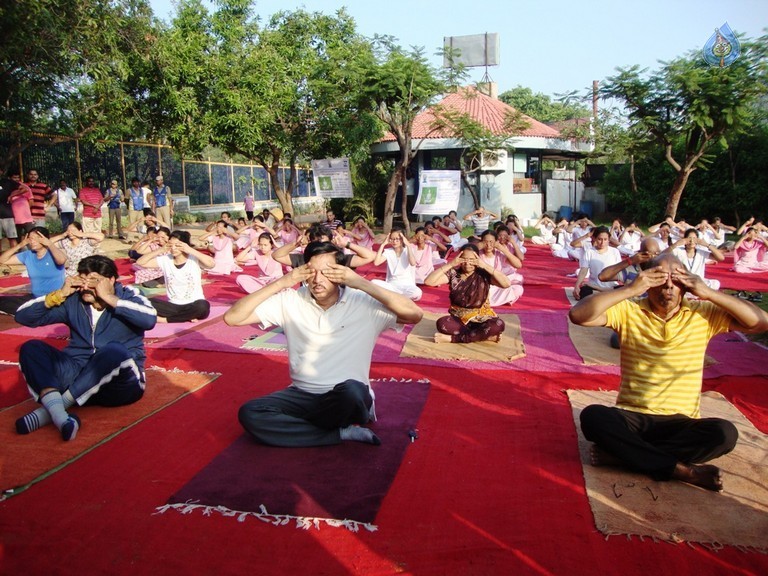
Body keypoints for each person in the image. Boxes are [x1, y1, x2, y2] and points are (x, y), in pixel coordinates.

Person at [570, 253, 768, 491]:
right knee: (593, 417)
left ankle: (625, 456)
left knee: (725, 433)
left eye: (676, 281)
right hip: (632, 416)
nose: (669, 288)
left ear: (686, 285)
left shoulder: (704, 313)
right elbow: (577, 315)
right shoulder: (628, 310)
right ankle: (682, 470)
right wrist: (630, 290)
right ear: (647, 281)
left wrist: (709, 293)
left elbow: (760, 322)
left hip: (681, 421)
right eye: (660, 280)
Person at [224, 241, 423, 447]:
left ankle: (301, 428)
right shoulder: (290, 300)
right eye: (312, 272)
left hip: (346, 398)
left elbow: (415, 314)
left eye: (327, 272)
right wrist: (282, 282)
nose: (318, 280)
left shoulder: (363, 301)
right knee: (250, 413)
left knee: (352, 392)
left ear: (341, 273)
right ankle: (339, 434)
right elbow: (233, 318)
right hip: (301, 394)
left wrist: (360, 282)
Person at [13, 255, 157, 441]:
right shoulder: (74, 300)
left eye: (94, 281)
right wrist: (60, 294)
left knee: (113, 351)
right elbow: (23, 317)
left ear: (111, 280)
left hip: (118, 386)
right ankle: (63, 417)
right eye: (83, 279)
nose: (86, 286)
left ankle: (52, 412)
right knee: (32, 349)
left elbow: (149, 319)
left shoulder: (129, 295)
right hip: (77, 374)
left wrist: (108, 297)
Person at [424, 243, 511, 344]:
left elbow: (506, 283)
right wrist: (450, 264)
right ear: (459, 259)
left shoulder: (483, 274)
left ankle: (453, 339)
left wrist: (485, 265)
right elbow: (428, 281)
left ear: (478, 259)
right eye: (464, 259)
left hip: (481, 318)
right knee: (442, 324)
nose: (467, 263)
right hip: (459, 319)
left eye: (472, 259)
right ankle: (483, 336)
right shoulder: (454, 274)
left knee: (498, 325)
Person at [136, 230, 214, 323]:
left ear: (185, 245)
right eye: (171, 245)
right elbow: (140, 262)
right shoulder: (166, 259)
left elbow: (211, 264)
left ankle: (166, 319)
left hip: (194, 304)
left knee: (203, 306)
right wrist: (161, 250)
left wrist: (190, 250)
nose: (173, 248)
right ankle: (187, 316)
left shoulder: (194, 259)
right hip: (173, 306)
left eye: (177, 245)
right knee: (144, 301)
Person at [0, 227, 66, 315]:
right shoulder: (28, 255)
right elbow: (3, 260)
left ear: (44, 239)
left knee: (31, 310)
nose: (32, 241)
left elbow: (62, 260)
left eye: (36, 238)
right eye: (30, 239)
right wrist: (20, 245)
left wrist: (50, 244)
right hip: (35, 298)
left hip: (53, 299)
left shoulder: (53, 253)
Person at [371, 228, 422, 301]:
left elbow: (413, 263)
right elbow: (376, 263)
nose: (394, 241)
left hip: (406, 285)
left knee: (417, 293)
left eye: (397, 239)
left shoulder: (408, 250)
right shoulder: (388, 251)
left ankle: (393, 297)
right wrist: (383, 245)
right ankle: (398, 298)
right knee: (373, 282)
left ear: (402, 239)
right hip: (392, 285)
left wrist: (408, 245)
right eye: (392, 239)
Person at [572, 226, 622, 300]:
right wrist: (577, 285)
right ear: (594, 238)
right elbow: (584, 270)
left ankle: (603, 293)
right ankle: (602, 293)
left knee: (624, 290)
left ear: (609, 239)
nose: (602, 242)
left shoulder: (615, 252)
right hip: (593, 286)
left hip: (611, 286)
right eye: (599, 239)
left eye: (605, 239)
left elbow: (619, 270)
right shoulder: (590, 252)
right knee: (584, 292)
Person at [479, 229, 524, 307]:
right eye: (485, 242)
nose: (488, 245)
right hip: (481, 286)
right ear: (481, 242)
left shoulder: (499, 253)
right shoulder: (477, 253)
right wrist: (476, 247)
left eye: (491, 242)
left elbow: (518, 265)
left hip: (496, 285)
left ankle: (491, 301)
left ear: (496, 242)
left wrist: (503, 249)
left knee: (518, 289)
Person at [8, 172, 35, 240]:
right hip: (13, 219)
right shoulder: (7, 188)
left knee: (32, 236)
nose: (17, 179)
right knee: (16, 239)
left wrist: (25, 212)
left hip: (26, 218)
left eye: (18, 177)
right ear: (9, 178)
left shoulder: (25, 187)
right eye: (14, 178)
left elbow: (31, 202)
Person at [0, 171, 21, 250]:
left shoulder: (8, 182)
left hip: (7, 214)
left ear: (1, 171)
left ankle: (15, 256)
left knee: (12, 237)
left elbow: (24, 189)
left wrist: (12, 195)